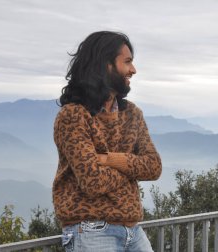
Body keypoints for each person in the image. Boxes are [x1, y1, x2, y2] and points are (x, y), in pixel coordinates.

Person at [52, 31, 162, 252]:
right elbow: (94, 182)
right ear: (105, 65)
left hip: (133, 231)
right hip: (92, 231)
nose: (134, 70)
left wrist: (109, 160)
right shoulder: (74, 115)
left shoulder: (132, 113)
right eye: (128, 62)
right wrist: (132, 167)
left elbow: (154, 166)